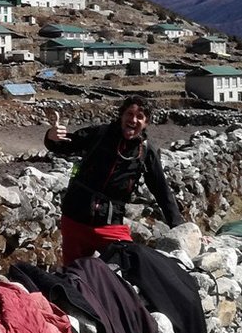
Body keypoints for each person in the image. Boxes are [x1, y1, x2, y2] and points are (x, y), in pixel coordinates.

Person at [45, 95, 185, 265]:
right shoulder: (100, 134)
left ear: (146, 122)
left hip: (110, 225)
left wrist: (178, 226)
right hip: (75, 219)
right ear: (121, 116)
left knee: (128, 267)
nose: (133, 120)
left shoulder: (146, 151)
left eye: (139, 117)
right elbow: (66, 145)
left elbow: (161, 189)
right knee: (74, 275)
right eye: (129, 114)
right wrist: (51, 137)